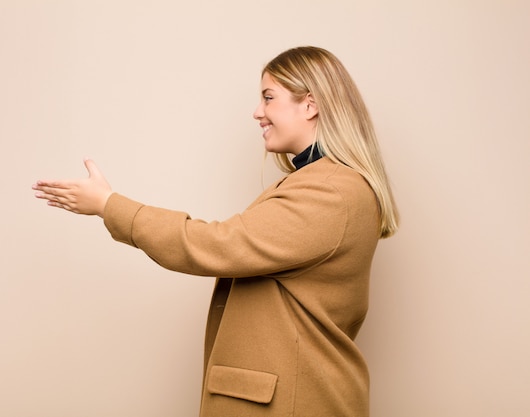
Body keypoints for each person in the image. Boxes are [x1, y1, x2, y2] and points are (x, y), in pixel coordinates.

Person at [33, 46, 399, 417]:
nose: (257, 112)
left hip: (291, 401)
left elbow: (216, 244)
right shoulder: (322, 183)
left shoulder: (330, 191)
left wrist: (109, 205)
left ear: (310, 105)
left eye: (268, 98)